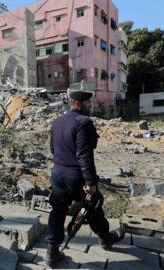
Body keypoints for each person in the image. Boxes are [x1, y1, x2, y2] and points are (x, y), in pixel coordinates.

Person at [46, 91, 124, 266]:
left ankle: (52, 251)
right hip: (76, 176)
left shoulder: (57, 121)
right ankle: (106, 238)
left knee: (57, 210)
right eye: (88, 103)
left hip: (57, 172)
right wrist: (90, 182)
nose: (91, 105)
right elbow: (84, 154)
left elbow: (53, 148)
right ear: (77, 104)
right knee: (93, 204)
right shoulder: (83, 122)